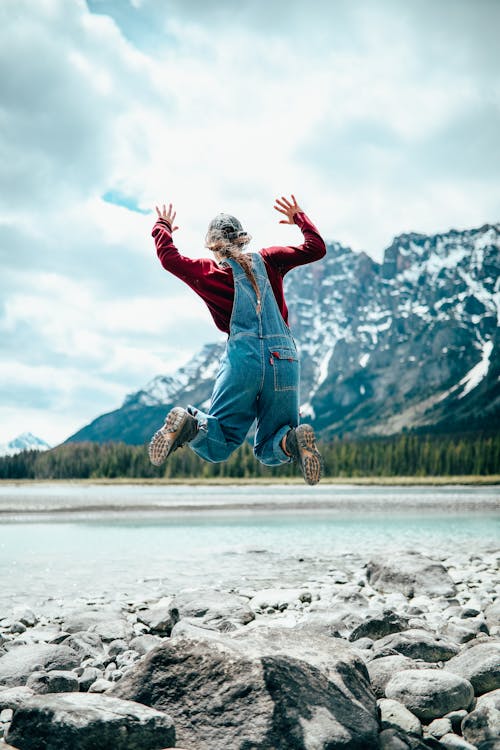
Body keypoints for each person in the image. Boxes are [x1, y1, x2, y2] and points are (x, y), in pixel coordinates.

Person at [148, 194, 326, 485]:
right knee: (271, 445)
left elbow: (169, 259)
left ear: (212, 245)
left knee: (220, 442)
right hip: (284, 360)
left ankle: (191, 426)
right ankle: (292, 440)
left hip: (241, 361)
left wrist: (162, 226)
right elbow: (316, 249)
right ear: (243, 239)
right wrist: (299, 218)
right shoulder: (270, 260)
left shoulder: (208, 272)